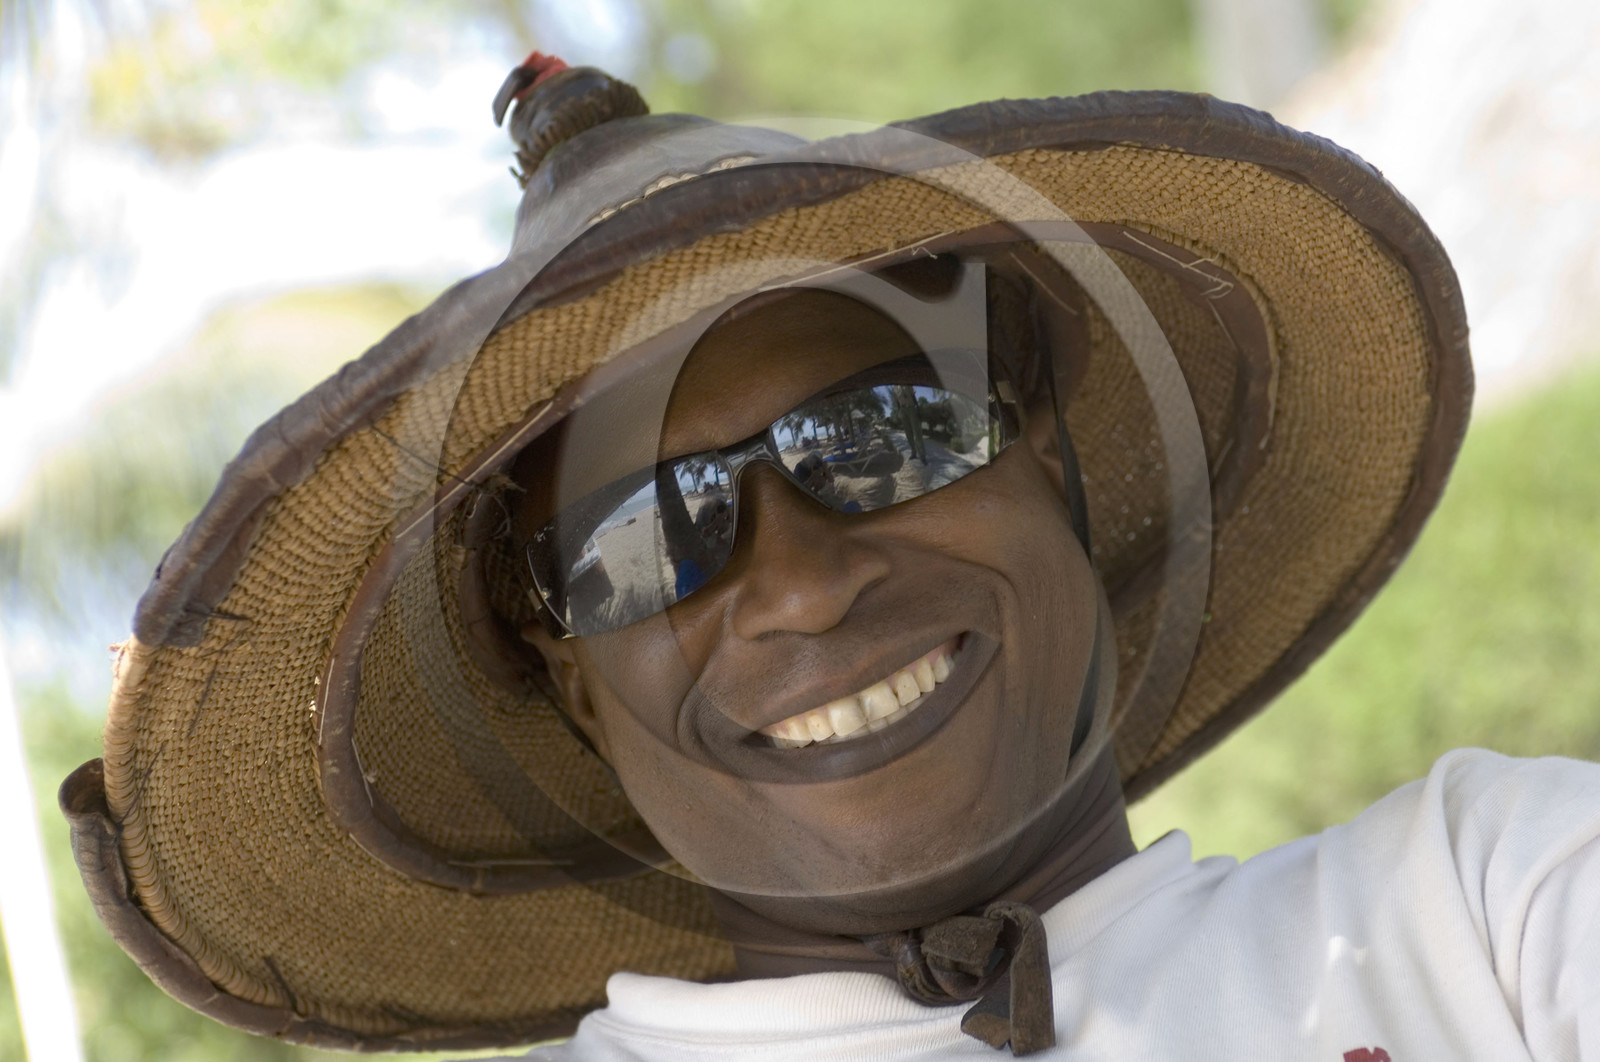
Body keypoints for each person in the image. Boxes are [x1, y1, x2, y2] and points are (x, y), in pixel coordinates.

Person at [57, 53, 1599, 1060]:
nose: (798, 582)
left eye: (884, 433)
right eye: (646, 541)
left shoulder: (1484, 901)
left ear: (1044, 449)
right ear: (574, 685)